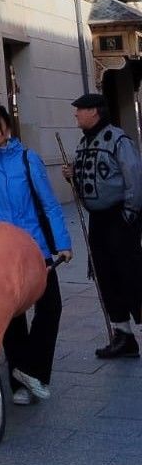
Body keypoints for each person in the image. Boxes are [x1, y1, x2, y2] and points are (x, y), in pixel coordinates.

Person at [0, 104, 72, 405]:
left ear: (8, 129)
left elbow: (50, 203)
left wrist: (63, 243)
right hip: (2, 253)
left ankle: (33, 371)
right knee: (13, 317)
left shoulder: (29, 159)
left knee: (50, 307)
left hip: (35, 249)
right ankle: (20, 382)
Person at [62, 93, 142, 359]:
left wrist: (129, 214)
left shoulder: (118, 140)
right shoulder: (85, 143)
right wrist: (72, 176)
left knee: (128, 274)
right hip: (99, 221)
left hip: (119, 218)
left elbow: (134, 177)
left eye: (80, 110)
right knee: (105, 275)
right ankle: (123, 335)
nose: (75, 114)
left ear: (94, 111)